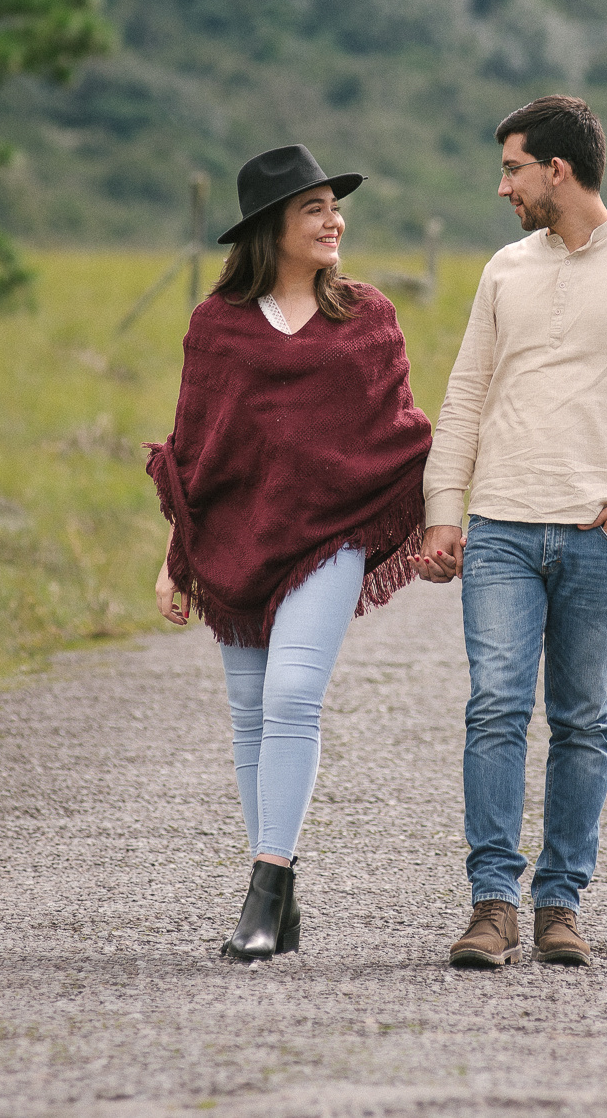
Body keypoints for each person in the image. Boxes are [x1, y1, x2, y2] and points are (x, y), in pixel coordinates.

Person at [411, 95, 607, 968]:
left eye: (512, 167)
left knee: (582, 721)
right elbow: (465, 395)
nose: (501, 185)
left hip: (597, 532)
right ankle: (492, 905)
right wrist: (443, 512)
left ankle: (560, 906)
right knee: (496, 708)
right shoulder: (504, 270)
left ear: (558, 169)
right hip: (501, 527)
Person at [147, 144, 434, 962]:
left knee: (295, 693)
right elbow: (197, 454)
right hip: (237, 540)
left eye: (335, 207)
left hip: (334, 536)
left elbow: (399, 437)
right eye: (314, 209)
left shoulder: (369, 316)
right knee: (250, 716)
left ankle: (266, 889)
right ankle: (278, 888)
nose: (335, 221)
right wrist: (178, 558)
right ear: (272, 229)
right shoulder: (218, 327)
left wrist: (441, 516)